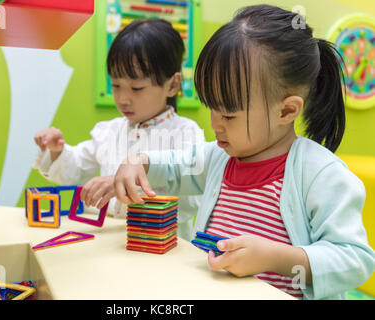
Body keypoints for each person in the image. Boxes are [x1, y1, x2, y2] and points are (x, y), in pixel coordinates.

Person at [113, 5, 375, 299]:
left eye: (229, 115)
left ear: (286, 110)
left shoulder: (320, 174)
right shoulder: (219, 158)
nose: (215, 124)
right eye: (211, 106)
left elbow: (355, 259)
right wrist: (139, 161)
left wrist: (277, 257)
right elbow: (176, 165)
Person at [33, 19, 204, 240]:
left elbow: (192, 193)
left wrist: (125, 186)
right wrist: (57, 151)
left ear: (172, 85)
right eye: (116, 85)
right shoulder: (109, 131)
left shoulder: (185, 133)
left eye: (137, 88)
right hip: (105, 240)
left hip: (159, 244)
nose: (123, 99)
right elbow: (76, 170)